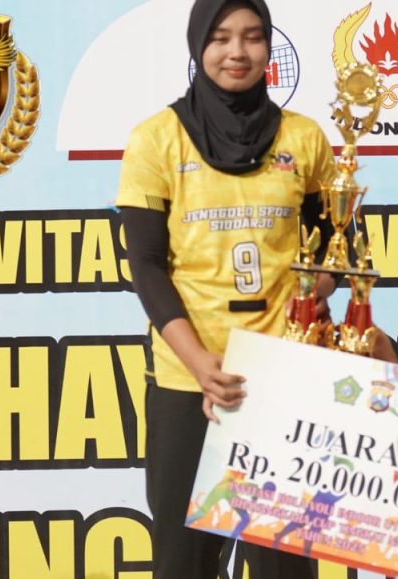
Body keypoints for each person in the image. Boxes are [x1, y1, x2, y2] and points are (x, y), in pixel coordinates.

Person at [116, 0, 337, 576]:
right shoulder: (156, 139)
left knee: (283, 565)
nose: (237, 52)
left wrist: (311, 303)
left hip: (283, 379)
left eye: (253, 37)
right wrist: (199, 364)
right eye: (220, 38)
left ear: (269, 48)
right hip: (187, 380)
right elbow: (146, 265)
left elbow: (338, 250)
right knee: (183, 563)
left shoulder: (305, 138)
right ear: (198, 46)